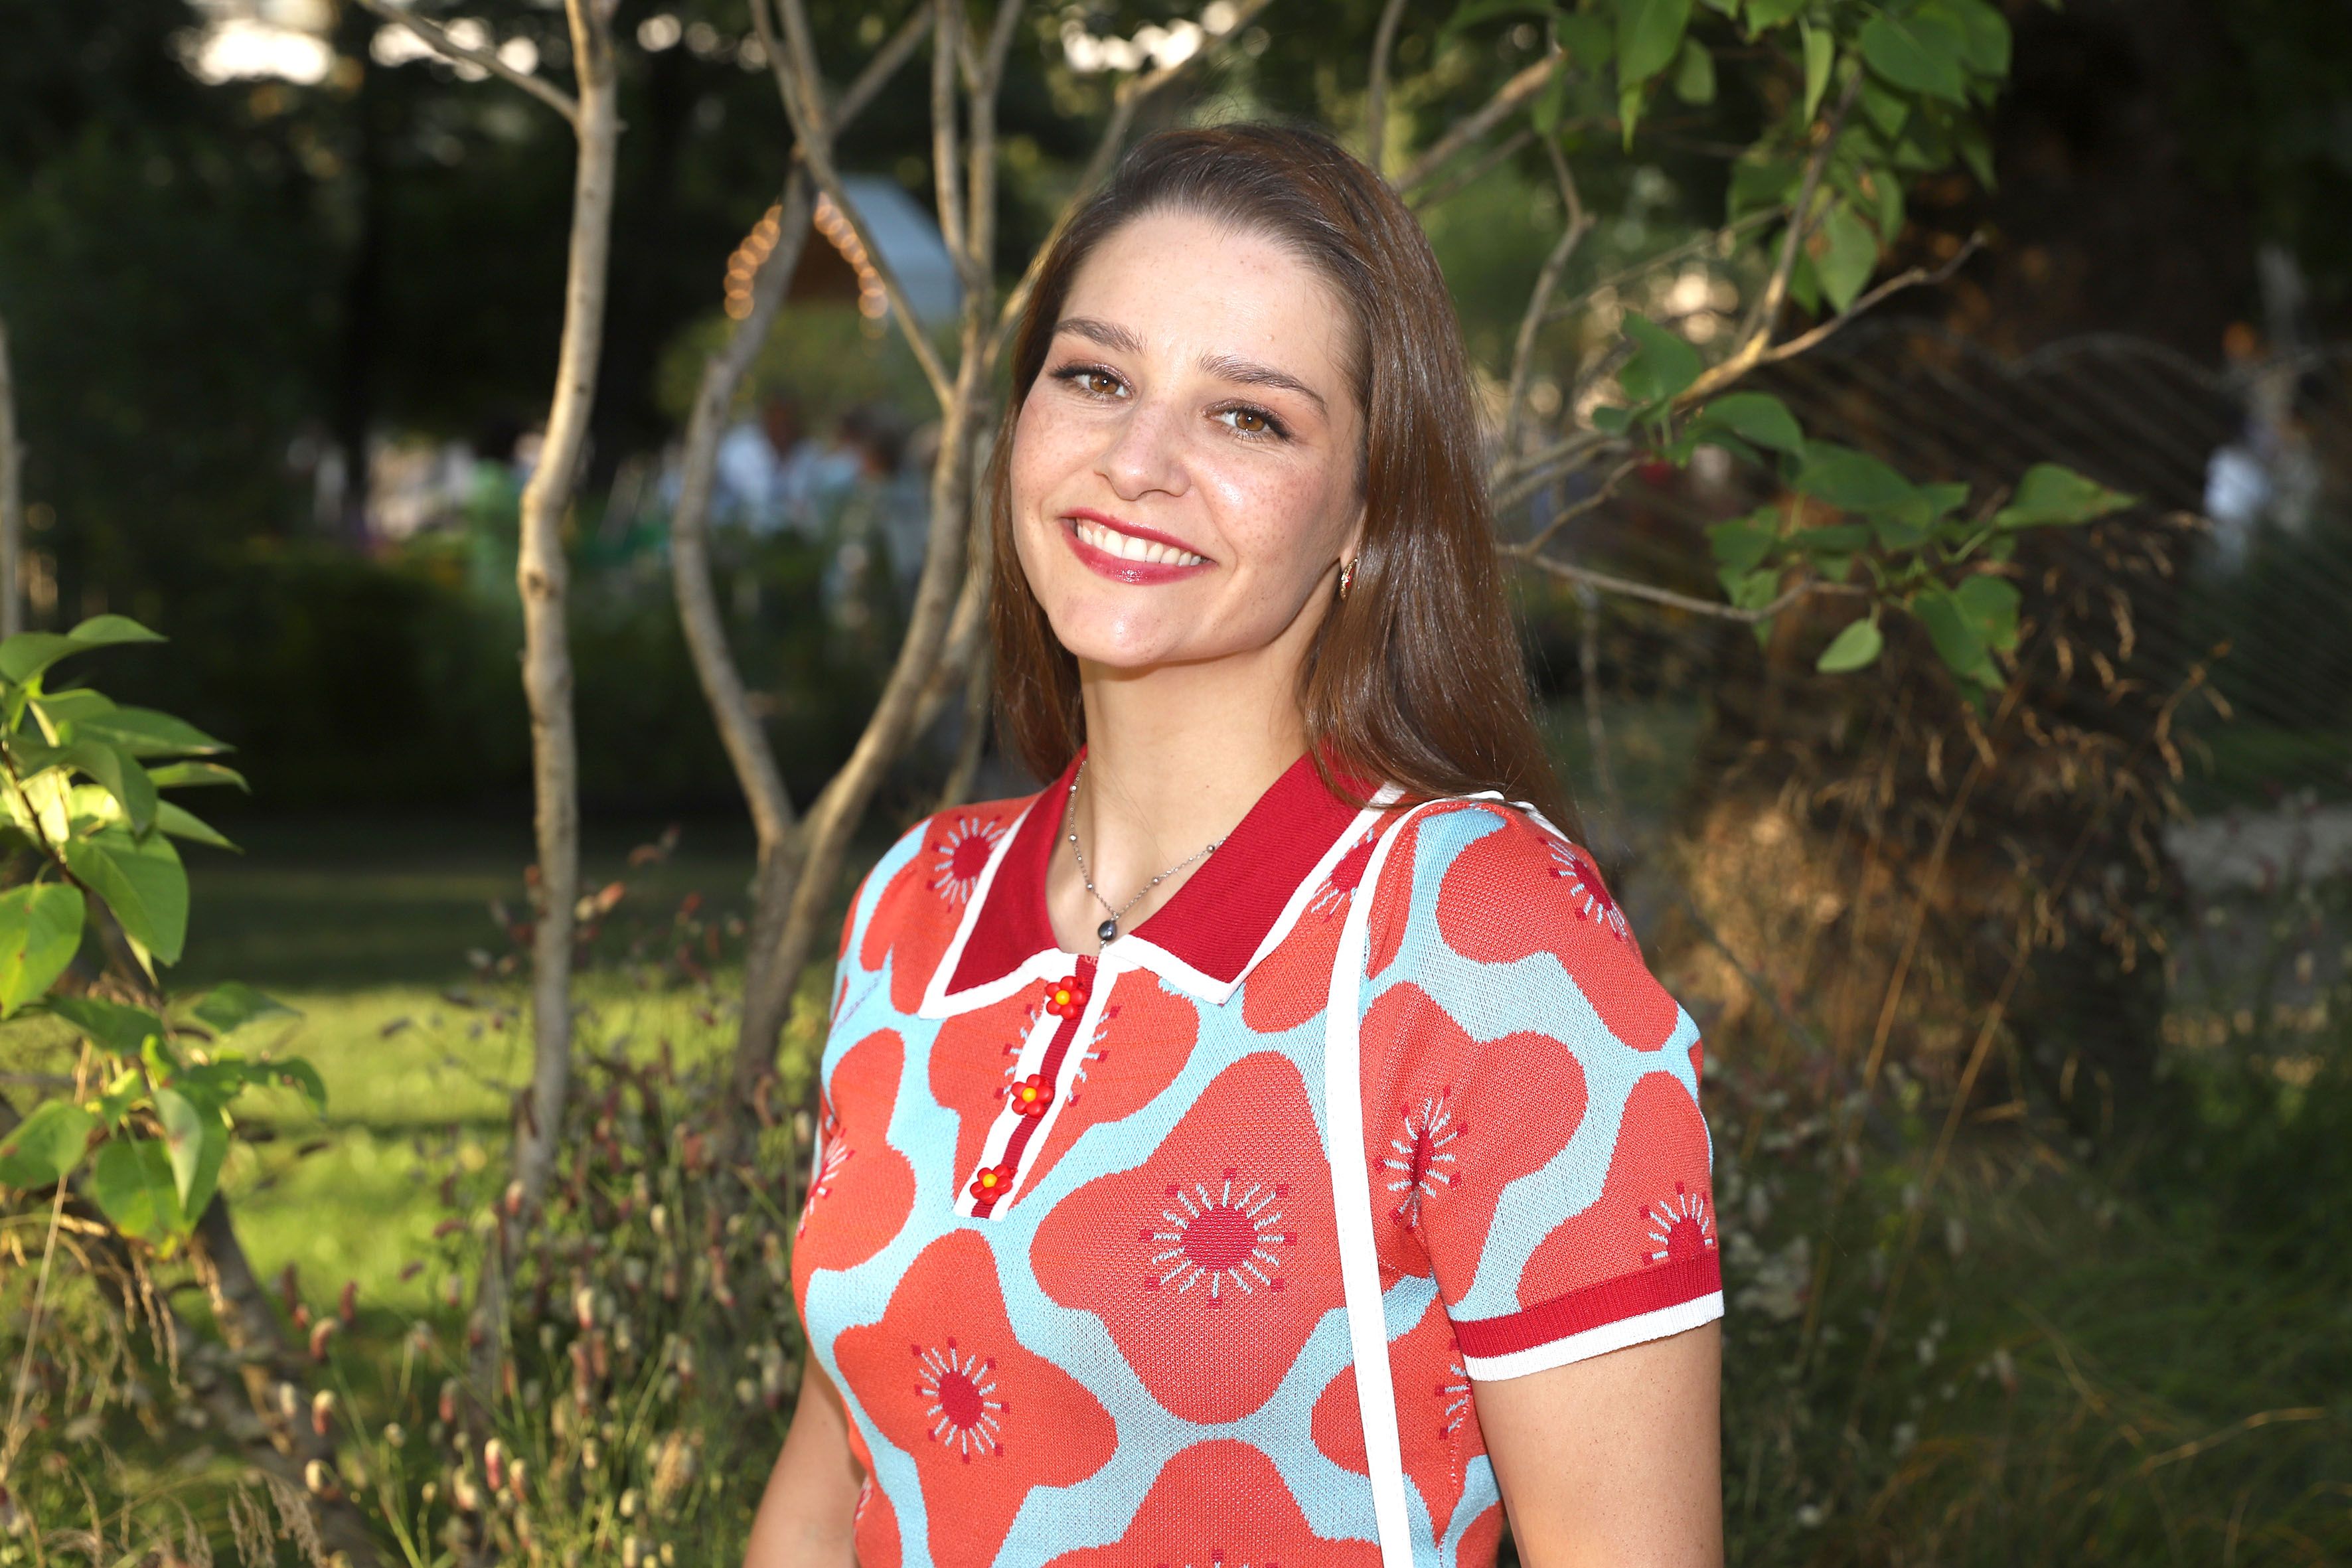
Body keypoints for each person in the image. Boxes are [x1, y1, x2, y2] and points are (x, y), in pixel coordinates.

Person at [747, 123, 1723, 1568]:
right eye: (1095, 377)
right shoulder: (915, 905)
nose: (1136, 461)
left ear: (1367, 512)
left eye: (1248, 416)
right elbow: (833, 1486)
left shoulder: (1489, 944)